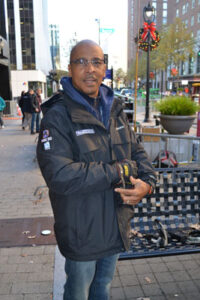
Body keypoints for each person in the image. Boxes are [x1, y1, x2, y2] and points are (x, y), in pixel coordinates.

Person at [37, 40, 156, 300]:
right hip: (82, 230)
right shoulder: (57, 116)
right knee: (78, 292)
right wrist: (118, 171)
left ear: (104, 68)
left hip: (115, 223)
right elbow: (60, 175)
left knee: (102, 288)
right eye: (81, 62)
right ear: (69, 68)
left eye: (96, 62)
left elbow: (137, 153)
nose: (89, 68)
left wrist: (147, 183)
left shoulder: (115, 109)